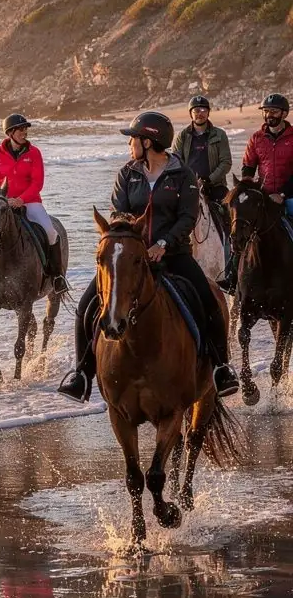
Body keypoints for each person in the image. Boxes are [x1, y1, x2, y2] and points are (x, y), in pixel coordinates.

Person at [57, 110, 239, 402]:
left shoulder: (182, 175)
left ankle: (220, 368)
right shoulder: (127, 174)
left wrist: (163, 244)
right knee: (86, 305)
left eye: (133, 140)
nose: (130, 145)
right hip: (132, 257)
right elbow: (118, 211)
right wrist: (133, 241)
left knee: (209, 302)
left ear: (148, 141)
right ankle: (82, 374)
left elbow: (187, 217)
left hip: (174, 254)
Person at [0, 112, 67, 291]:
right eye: (21, 130)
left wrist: (20, 200)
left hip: (30, 202)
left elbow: (37, 183)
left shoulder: (34, 153)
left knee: (51, 232)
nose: (25, 132)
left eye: (25, 129)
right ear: (10, 133)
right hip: (3, 203)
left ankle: (56, 277)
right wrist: (2, 199)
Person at [220, 92, 293, 291]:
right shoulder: (257, 138)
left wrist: (283, 194)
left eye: (274, 111)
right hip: (263, 194)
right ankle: (232, 277)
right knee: (237, 229)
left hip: (289, 195)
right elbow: (248, 165)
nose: (269, 115)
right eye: (267, 111)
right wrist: (246, 181)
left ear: (284, 113)